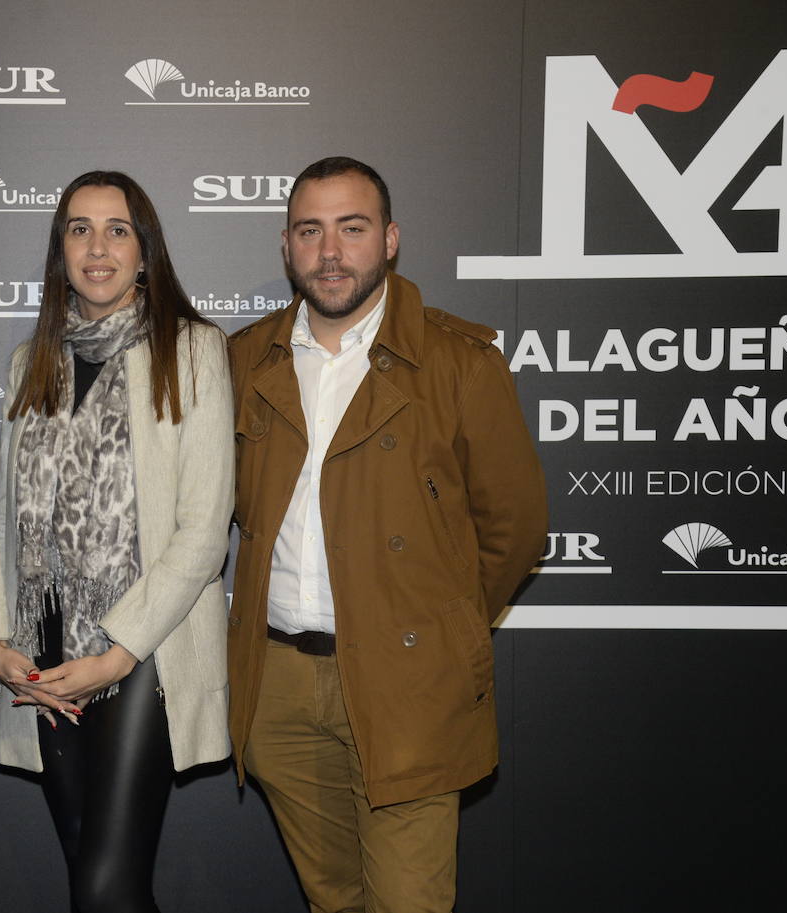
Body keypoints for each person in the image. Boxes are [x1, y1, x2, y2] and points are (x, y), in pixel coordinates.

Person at [226, 156, 548, 913]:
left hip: (408, 685)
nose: (330, 251)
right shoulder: (245, 359)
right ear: (287, 245)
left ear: (391, 239)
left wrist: (441, 628)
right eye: (310, 230)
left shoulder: (458, 361)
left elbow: (516, 525)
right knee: (335, 899)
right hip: (276, 688)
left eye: (352, 228)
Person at [0, 170, 234, 913]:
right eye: (79, 229)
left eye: (117, 229)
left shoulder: (193, 351)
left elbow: (203, 527)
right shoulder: (31, 362)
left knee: (105, 886)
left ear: (145, 251)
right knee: (91, 866)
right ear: (60, 252)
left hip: (144, 645)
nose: (98, 246)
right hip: (44, 645)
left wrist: (116, 651)